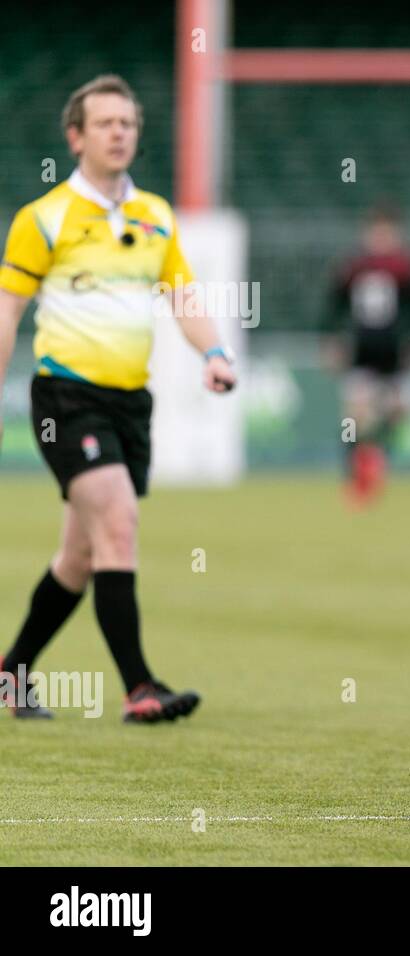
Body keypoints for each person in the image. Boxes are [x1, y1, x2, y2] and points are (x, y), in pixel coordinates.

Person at [0, 74, 236, 721]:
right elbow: (7, 310)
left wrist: (213, 353)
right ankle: (141, 688)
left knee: (80, 555)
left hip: (131, 403)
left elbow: (183, 297)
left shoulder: (153, 215)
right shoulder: (42, 219)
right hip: (66, 401)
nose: (118, 133)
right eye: (104, 123)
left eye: (127, 124)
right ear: (75, 137)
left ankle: (9, 674)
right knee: (120, 523)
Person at [322, 205, 410, 506]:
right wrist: (330, 339)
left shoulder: (406, 266)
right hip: (362, 353)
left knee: (399, 412)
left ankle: (375, 458)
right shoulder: (353, 265)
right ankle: (354, 478)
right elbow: (334, 305)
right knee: (355, 418)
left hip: (395, 354)